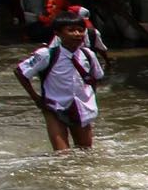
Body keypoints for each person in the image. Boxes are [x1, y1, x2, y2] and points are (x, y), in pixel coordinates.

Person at [14, 12, 107, 152]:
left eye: (81, 30)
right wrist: (36, 99)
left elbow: (95, 77)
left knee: (86, 152)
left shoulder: (88, 55)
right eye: (71, 30)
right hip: (54, 107)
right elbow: (20, 72)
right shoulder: (47, 55)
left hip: (81, 107)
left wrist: (90, 97)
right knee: (62, 155)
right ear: (58, 33)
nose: (77, 34)